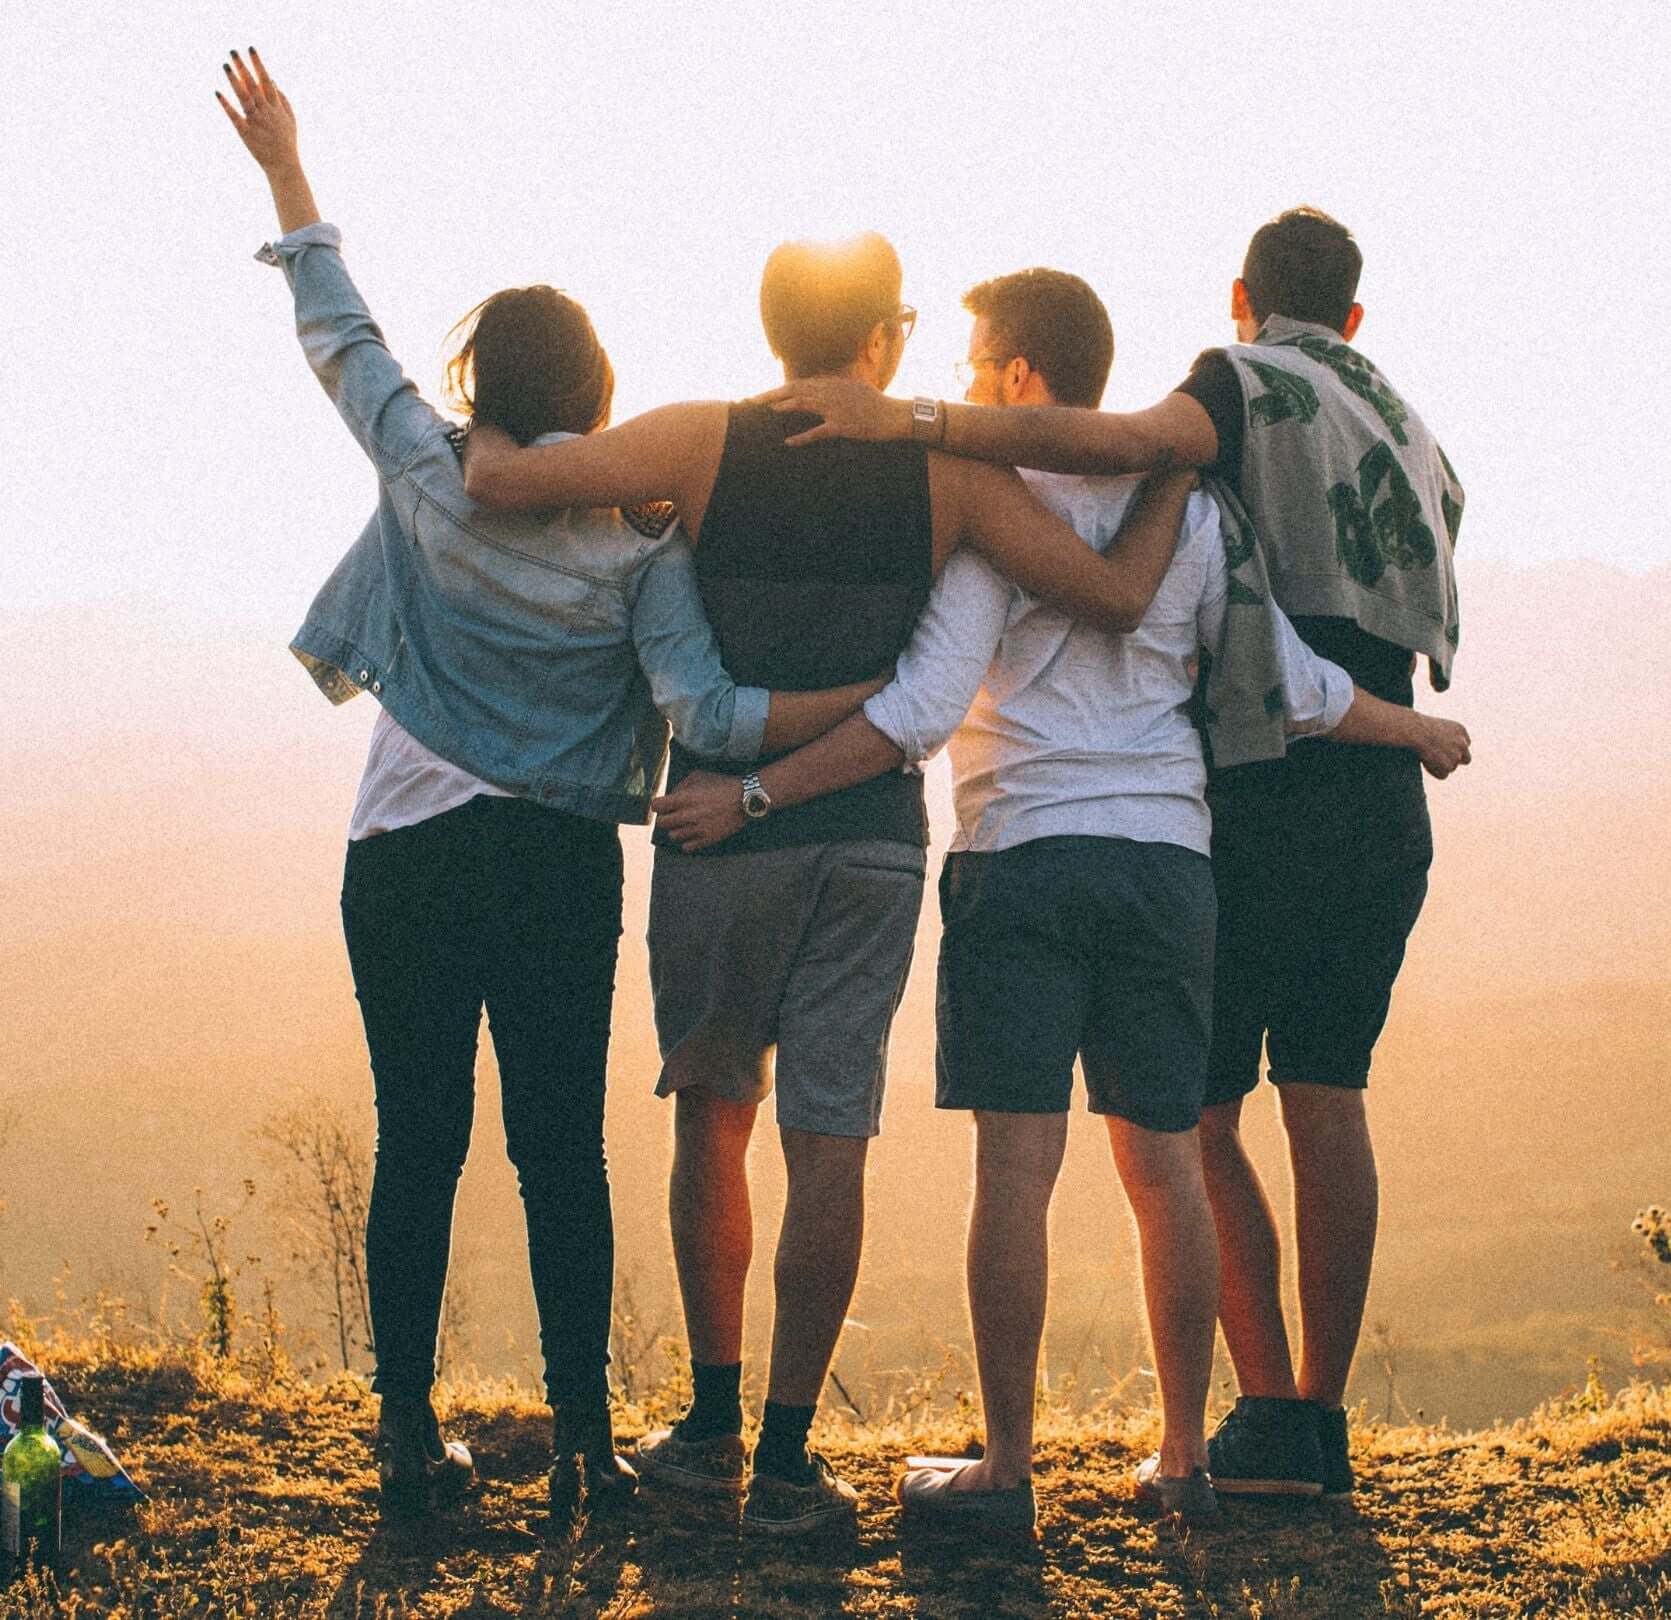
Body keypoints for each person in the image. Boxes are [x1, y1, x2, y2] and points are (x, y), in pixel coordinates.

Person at [657, 268, 1469, 1539]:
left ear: (1021, 376)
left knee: (1016, 1172)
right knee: (1168, 1164)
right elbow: (1291, 682)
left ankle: (1008, 1470)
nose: (966, 382)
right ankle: (1185, 1458)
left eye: (978, 361)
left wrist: (756, 794)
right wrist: (1412, 728)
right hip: (1169, 865)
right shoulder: (1190, 511)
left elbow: (920, 712)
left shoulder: (995, 510)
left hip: (1022, 859)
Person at [217, 51, 884, 1525]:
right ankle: (584, 1443)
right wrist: (874, 702)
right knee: (558, 1153)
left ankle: (408, 1436)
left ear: (481, 384)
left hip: (403, 846)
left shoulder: (426, 466)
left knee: (418, 1140)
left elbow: (340, 335)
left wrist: (286, 169)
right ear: (598, 393)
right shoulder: (637, 540)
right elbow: (706, 712)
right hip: (557, 865)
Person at [461, 235, 1186, 1536]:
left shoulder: (698, 440)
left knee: (712, 1117)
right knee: (828, 1137)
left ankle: (709, 1431)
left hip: (715, 833)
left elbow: (508, 481)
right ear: (883, 341)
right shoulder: (949, 474)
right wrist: (1183, 464)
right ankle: (790, 1461)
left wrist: (483, 413)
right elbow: (1112, 595)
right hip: (869, 842)